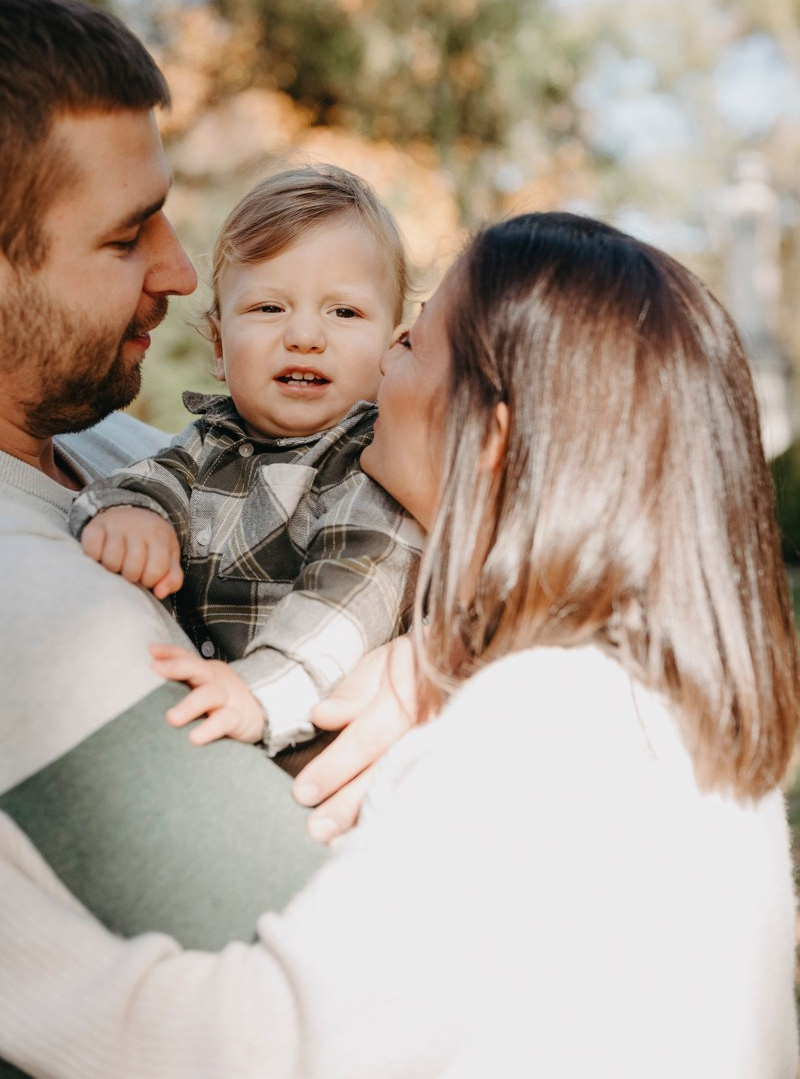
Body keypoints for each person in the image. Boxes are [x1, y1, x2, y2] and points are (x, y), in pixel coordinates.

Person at [1, 210, 797, 1078]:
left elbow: (257, 1047)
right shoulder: (659, 709)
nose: (380, 360)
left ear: (488, 439)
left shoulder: (556, 720)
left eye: (413, 343)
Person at [0, 0, 326, 987]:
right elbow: (334, 964)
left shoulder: (114, 454)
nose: (184, 272)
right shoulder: (31, 611)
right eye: (124, 234)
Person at [69, 166, 422, 756]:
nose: (306, 335)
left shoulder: (372, 461)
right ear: (218, 347)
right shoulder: (210, 442)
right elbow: (155, 479)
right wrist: (132, 512)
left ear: (392, 349)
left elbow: (357, 587)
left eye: (344, 313)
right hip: (215, 723)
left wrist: (260, 690)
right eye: (268, 308)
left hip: (309, 722)